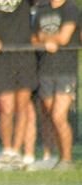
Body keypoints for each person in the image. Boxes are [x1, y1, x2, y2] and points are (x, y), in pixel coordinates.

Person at [32, 0, 78, 171]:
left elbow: (64, 38)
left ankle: (67, 160)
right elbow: (33, 37)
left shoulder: (71, 8)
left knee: (59, 116)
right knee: (49, 116)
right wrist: (46, 40)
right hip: (45, 69)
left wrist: (44, 38)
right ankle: (54, 156)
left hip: (65, 70)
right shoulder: (42, 9)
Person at [0, 0, 36, 169]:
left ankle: (17, 151)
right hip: (3, 57)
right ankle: (7, 150)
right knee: (6, 108)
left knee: (22, 107)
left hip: (25, 56)